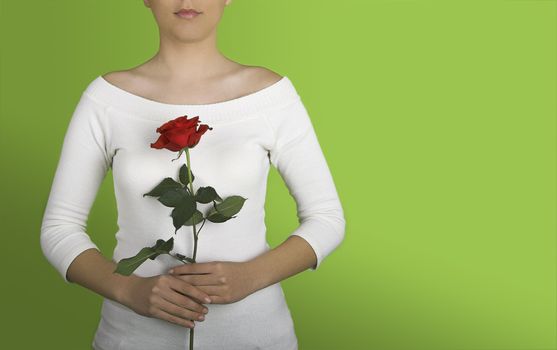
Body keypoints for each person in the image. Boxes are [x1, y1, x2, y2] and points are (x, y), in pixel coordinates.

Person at [40, 1, 346, 349]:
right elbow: (59, 228)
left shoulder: (270, 97)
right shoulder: (107, 99)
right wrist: (129, 289)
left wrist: (250, 276)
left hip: (257, 337)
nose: (187, 1)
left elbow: (326, 218)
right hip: (132, 339)